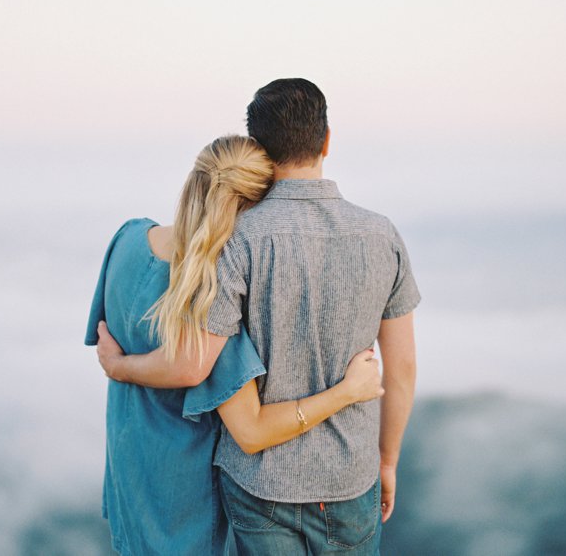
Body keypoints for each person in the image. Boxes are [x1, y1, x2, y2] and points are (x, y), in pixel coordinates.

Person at [98, 79, 420, 555]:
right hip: (350, 476)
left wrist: (120, 366)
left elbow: (195, 364)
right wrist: (387, 461)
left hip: (258, 483)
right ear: (327, 139)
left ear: (262, 153)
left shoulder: (236, 240)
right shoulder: (382, 234)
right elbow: (404, 369)